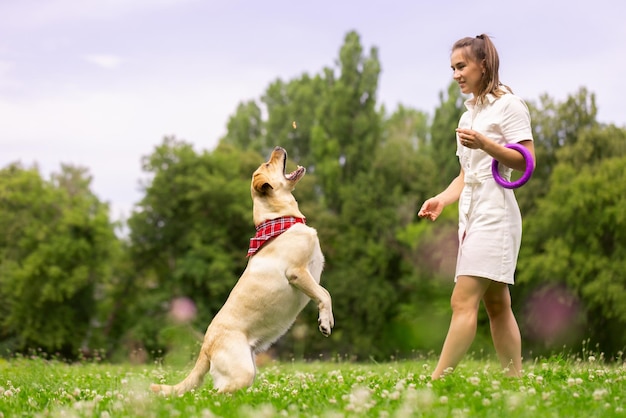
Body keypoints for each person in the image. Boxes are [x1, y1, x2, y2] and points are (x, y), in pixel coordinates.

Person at [418, 34, 535, 380]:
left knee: (461, 301)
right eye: (452, 68)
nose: (455, 74)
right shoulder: (469, 115)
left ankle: (438, 380)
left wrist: (486, 144)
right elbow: (465, 176)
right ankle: (514, 382)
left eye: (461, 66)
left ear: (482, 65)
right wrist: (441, 198)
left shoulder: (509, 106)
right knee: (497, 305)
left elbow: (527, 160)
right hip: (471, 215)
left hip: (496, 214)